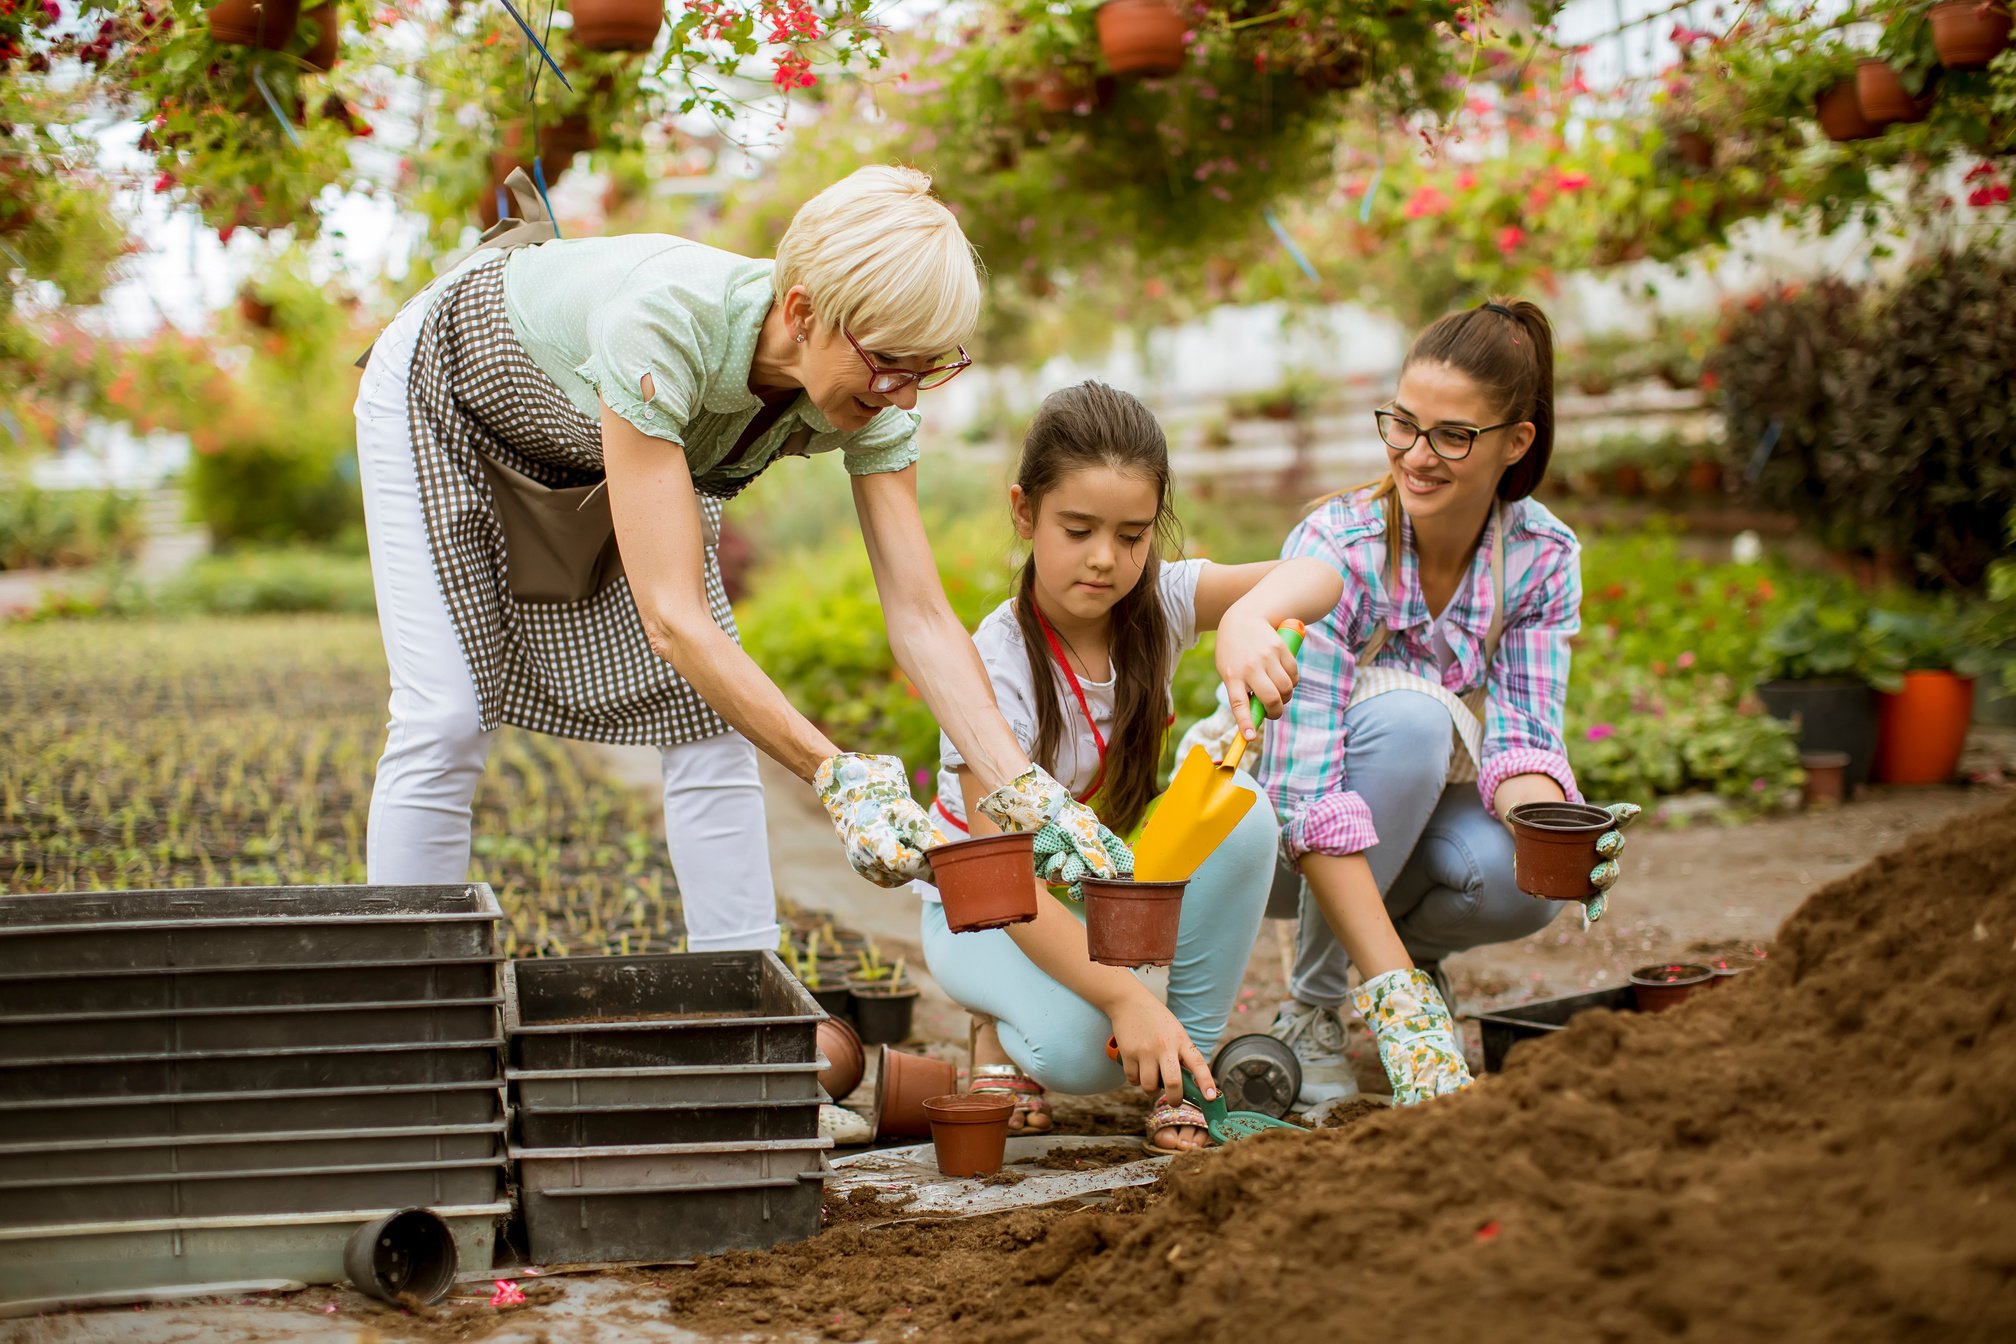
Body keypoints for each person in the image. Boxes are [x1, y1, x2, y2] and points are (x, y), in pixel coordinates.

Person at [351, 165, 1125, 958]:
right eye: (892, 364)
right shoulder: (665, 330)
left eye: (929, 369)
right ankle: (413, 995)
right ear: (801, 313)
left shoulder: (873, 399)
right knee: (444, 716)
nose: (904, 398)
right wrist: (834, 773)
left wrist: (1020, 784)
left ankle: (749, 1006)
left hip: (594, 441)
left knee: (708, 724)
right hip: (443, 393)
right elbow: (674, 620)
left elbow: (922, 615)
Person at [918, 382, 1343, 1152]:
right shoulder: (995, 664)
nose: (1106, 559)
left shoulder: (1164, 603)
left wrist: (1247, 619)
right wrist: (1124, 999)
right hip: (985, 907)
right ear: (1025, 512)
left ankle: (1188, 1066)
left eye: (1133, 535)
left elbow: (1320, 576)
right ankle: (994, 1030)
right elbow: (1000, 883)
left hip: (1098, 890)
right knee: (1083, 1056)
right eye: (1077, 529)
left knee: (1241, 808)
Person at [1236, 298, 1638, 1106]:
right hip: (1273, 835)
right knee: (1413, 719)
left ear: (1516, 442)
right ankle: (1314, 1008)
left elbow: (1524, 736)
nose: (1416, 456)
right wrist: (1401, 1008)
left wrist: (1556, 827)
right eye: (1402, 424)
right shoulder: (1339, 548)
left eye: (1452, 435)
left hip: (1394, 825)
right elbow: (1306, 789)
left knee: (1519, 878)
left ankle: (1402, 960)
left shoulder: (1542, 557)